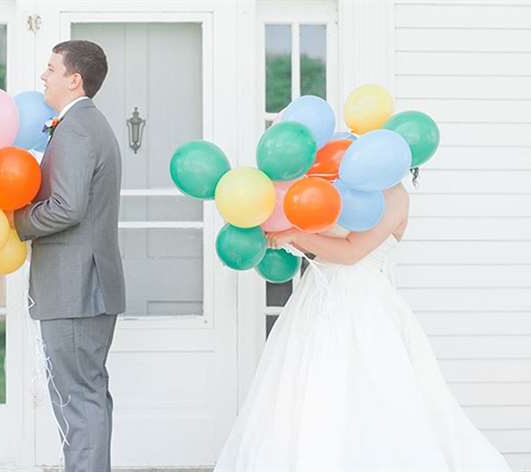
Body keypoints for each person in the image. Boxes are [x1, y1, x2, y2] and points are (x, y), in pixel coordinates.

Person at [213, 171, 513, 471]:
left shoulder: (395, 197)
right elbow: (320, 242)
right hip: (315, 296)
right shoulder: (342, 191)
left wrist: (295, 235)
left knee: (368, 388)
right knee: (307, 386)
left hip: (361, 301)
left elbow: (352, 252)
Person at [11, 40, 125, 472]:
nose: (44, 75)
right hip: (83, 287)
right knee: (87, 397)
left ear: (74, 80)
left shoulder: (77, 128)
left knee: (78, 402)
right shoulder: (84, 125)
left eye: (51, 68)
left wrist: (16, 222)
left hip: (76, 289)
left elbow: (67, 207)